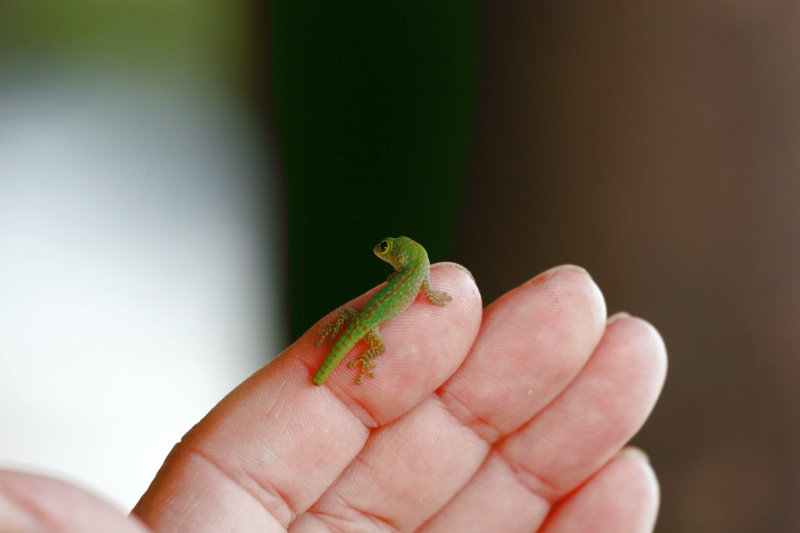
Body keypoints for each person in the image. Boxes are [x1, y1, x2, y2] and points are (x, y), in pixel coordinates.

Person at [0, 264, 666, 532]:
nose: (382, 252)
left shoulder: (389, 301)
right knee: (338, 354)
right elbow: (433, 296)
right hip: (364, 337)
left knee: (343, 343)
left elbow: (428, 298)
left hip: (364, 331)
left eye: (387, 250)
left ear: (400, 257)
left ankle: (349, 363)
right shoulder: (417, 286)